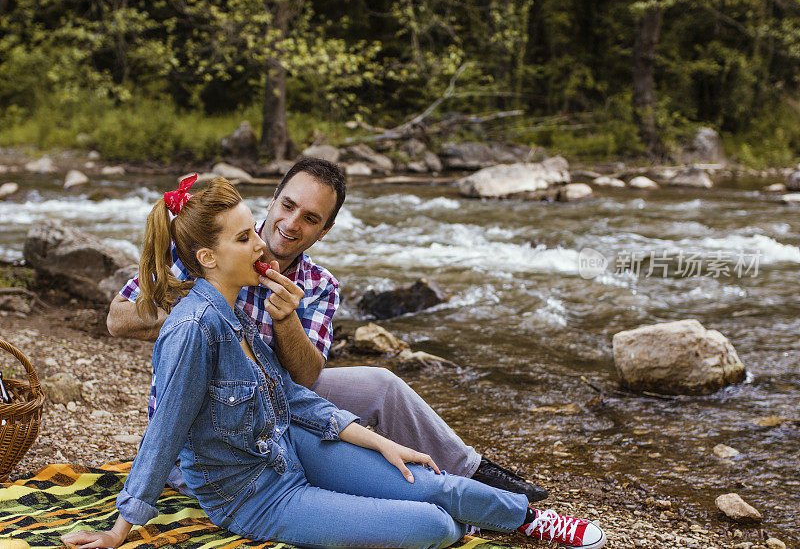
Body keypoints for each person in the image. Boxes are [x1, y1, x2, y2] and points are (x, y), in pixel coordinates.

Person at [62, 177, 605, 549]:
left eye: (255, 229)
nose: (263, 244)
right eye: (247, 236)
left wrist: (378, 441)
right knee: (436, 527)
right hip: (254, 495)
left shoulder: (243, 308)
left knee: (433, 482)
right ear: (207, 258)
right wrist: (120, 530)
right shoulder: (190, 328)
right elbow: (165, 431)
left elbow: (295, 393)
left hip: (288, 444)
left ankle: (532, 521)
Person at [106, 158, 547, 502]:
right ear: (272, 199)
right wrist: (209, 307)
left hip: (281, 398)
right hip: (212, 414)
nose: (291, 224)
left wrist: (286, 320)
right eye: (288, 205)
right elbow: (117, 318)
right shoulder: (206, 242)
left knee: (382, 384)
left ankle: (473, 473)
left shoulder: (320, 285)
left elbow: (307, 377)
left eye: (311, 219)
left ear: (326, 230)